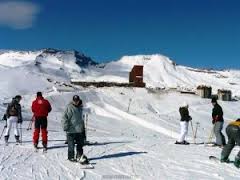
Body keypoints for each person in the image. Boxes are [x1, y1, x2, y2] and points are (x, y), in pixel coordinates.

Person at [62, 95, 88, 164]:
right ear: (73, 100)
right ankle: (71, 157)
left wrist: (83, 129)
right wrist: (65, 126)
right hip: (71, 130)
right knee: (71, 145)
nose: (76, 102)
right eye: (75, 100)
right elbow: (64, 117)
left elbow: (81, 119)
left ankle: (79, 156)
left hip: (79, 130)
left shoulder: (80, 107)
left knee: (80, 144)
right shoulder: (69, 107)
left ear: (79, 100)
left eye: (77, 100)